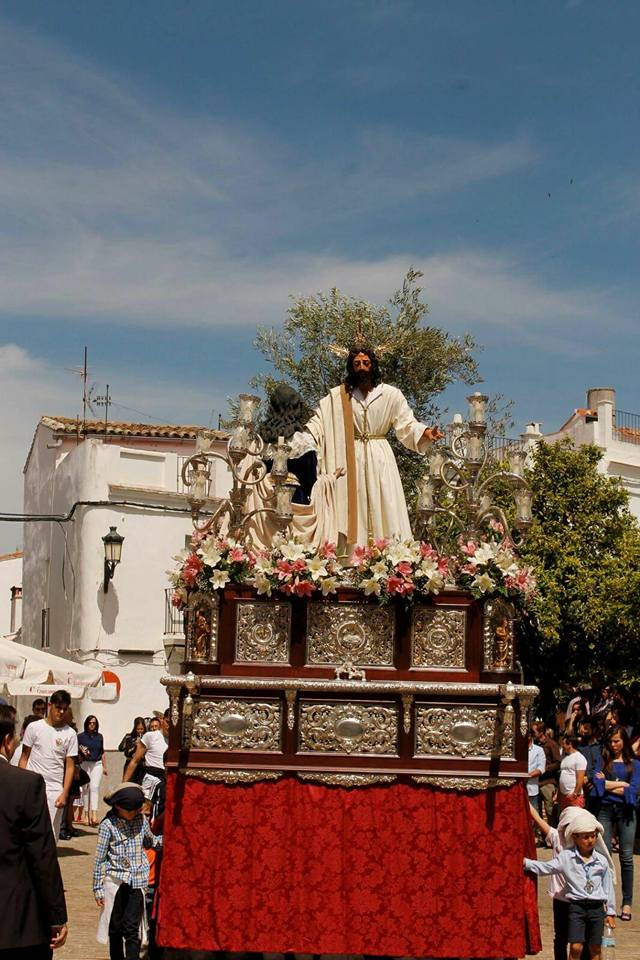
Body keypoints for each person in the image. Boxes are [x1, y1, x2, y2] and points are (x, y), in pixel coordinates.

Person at [305, 343, 443, 546]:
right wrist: (304, 435)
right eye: (357, 363)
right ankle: (353, 555)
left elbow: (406, 423)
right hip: (351, 458)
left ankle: (391, 552)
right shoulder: (340, 396)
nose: (361, 367)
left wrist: (425, 432)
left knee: (386, 500)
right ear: (351, 367)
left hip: (380, 455)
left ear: (373, 365)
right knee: (355, 502)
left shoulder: (390, 394)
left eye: (366, 363)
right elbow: (320, 420)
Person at [0, 703, 68, 958]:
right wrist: (56, 915)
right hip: (17, 921)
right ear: (7, 740)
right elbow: (42, 855)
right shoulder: (25, 784)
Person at [528, 804, 616, 960]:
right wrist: (524, 863)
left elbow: (607, 887)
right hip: (569, 903)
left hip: (594, 907)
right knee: (569, 942)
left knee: (593, 946)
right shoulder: (561, 845)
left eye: (592, 836)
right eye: (585, 836)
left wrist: (610, 911)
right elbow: (546, 867)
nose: (590, 840)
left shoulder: (601, 860)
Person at [93, 783, 163, 960]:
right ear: (118, 807)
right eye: (130, 810)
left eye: (136, 810)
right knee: (115, 927)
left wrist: (170, 838)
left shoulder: (141, 820)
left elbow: (151, 842)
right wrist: (98, 888)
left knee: (132, 928)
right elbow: (100, 859)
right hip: (115, 882)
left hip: (137, 881)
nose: (134, 813)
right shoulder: (108, 826)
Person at [593, 724, 640, 921]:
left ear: (624, 742)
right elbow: (596, 785)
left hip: (626, 811)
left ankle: (627, 902)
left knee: (626, 857)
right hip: (605, 810)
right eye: (610, 741)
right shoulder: (603, 760)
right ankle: (606, 900)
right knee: (604, 855)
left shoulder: (634, 764)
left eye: (617, 741)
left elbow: (634, 790)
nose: (613, 745)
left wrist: (607, 784)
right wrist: (622, 784)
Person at [19, 689, 78, 839]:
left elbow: (70, 766)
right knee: (28, 829)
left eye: (64, 708)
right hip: (32, 787)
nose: (61, 712)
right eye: (58, 707)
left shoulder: (70, 734)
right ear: (50, 706)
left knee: (50, 833)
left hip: (54, 789)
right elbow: (24, 757)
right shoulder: (34, 727)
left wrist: (65, 793)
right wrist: (20, 786)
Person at [124, 710, 169, 798]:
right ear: (162, 720)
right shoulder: (150, 736)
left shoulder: (177, 741)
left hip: (168, 780)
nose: (169, 726)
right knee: (146, 806)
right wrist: (124, 785)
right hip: (151, 779)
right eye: (167, 722)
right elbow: (135, 761)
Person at [79, 715, 107, 826]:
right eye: (90, 723)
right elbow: (76, 750)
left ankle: (94, 814)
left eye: (94, 723)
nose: (92, 725)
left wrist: (105, 766)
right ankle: (86, 814)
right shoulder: (80, 737)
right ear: (86, 724)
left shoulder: (99, 737)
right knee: (85, 788)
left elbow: (102, 751)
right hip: (85, 763)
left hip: (97, 763)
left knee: (94, 787)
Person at [533, 720, 561, 828]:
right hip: (536, 782)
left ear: (541, 732)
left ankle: (553, 831)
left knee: (550, 810)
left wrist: (543, 769)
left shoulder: (551, 744)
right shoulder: (535, 745)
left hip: (548, 782)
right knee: (537, 811)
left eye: (534, 731)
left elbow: (557, 763)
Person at [559, 734, 588, 811]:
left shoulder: (579, 758)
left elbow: (580, 778)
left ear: (570, 744)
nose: (563, 746)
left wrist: (575, 793)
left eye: (564, 744)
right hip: (564, 795)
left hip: (574, 796)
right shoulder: (565, 757)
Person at [527, 727, 546, 813]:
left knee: (534, 815)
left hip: (532, 790)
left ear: (530, 736)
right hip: (518, 789)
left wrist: (528, 776)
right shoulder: (517, 750)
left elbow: (541, 768)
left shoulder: (539, 750)